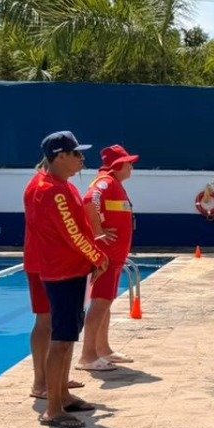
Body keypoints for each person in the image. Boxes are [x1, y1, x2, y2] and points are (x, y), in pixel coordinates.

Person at [27, 131, 108, 428]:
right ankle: (54, 408)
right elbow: (71, 233)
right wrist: (97, 256)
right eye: (77, 154)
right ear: (60, 156)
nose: (82, 159)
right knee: (60, 341)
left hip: (69, 269)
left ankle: (62, 395)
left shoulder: (57, 185)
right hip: (64, 271)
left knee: (67, 335)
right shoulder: (53, 190)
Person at [24, 160, 85, 400]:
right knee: (47, 321)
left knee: (63, 324)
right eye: (75, 155)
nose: (80, 161)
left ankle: (57, 379)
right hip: (44, 263)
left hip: (60, 263)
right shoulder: (43, 187)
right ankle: (41, 382)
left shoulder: (62, 185)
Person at [77, 145, 139, 372]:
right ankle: (88, 356)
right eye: (129, 163)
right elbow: (89, 199)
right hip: (107, 257)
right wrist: (97, 231)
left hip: (115, 257)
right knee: (100, 303)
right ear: (118, 165)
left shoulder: (115, 185)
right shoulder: (106, 182)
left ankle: (103, 349)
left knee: (106, 303)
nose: (131, 167)